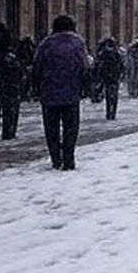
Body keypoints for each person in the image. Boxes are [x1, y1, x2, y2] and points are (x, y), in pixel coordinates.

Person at [33, 16, 89, 170]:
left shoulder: (46, 44)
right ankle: (69, 159)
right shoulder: (77, 43)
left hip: (49, 94)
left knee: (51, 129)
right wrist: (84, 87)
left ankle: (56, 159)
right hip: (71, 93)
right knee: (71, 128)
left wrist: (36, 88)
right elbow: (84, 66)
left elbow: (36, 66)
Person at [94, 38, 125, 121]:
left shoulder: (103, 53)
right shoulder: (116, 53)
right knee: (114, 96)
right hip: (115, 77)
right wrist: (121, 74)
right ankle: (113, 113)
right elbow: (121, 65)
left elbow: (98, 65)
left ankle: (108, 113)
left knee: (108, 95)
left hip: (106, 76)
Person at [0, 49, 24, 139]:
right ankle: (9, 133)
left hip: (5, 89)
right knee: (11, 112)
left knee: (5, 111)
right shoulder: (16, 65)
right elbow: (21, 76)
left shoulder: (2, 66)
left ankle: (7, 133)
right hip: (12, 89)